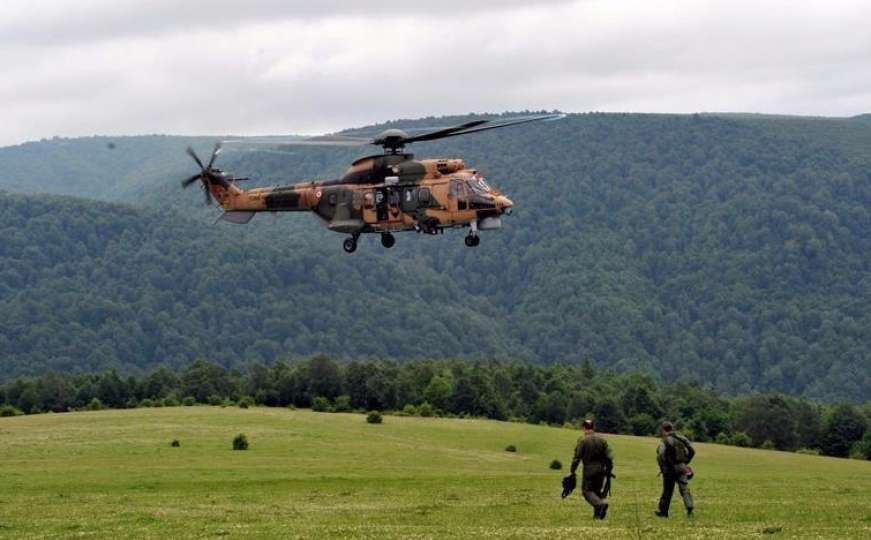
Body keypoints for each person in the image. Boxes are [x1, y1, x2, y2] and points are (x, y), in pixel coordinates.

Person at [569, 419, 614, 519]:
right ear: (593, 427)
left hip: (589, 469)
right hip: (601, 469)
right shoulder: (602, 440)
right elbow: (610, 456)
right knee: (597, 491)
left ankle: (600, 505)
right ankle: (597, 515)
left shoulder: (583, 440)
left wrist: (572, 470)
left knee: (587, 491)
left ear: (584, 428)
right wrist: (609, 470)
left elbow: (577, 458)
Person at [655, 421, 695, 518]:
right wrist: (685, 462)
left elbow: (660, 455)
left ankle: (663, 512)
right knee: (684, 489)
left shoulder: (664, 441)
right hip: (682, 467)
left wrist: (663, 468)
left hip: (670, 469)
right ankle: (689, 507)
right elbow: (692, 451)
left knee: (668, 490)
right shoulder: (681, 438)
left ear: (663, 429)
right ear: (672, 428)